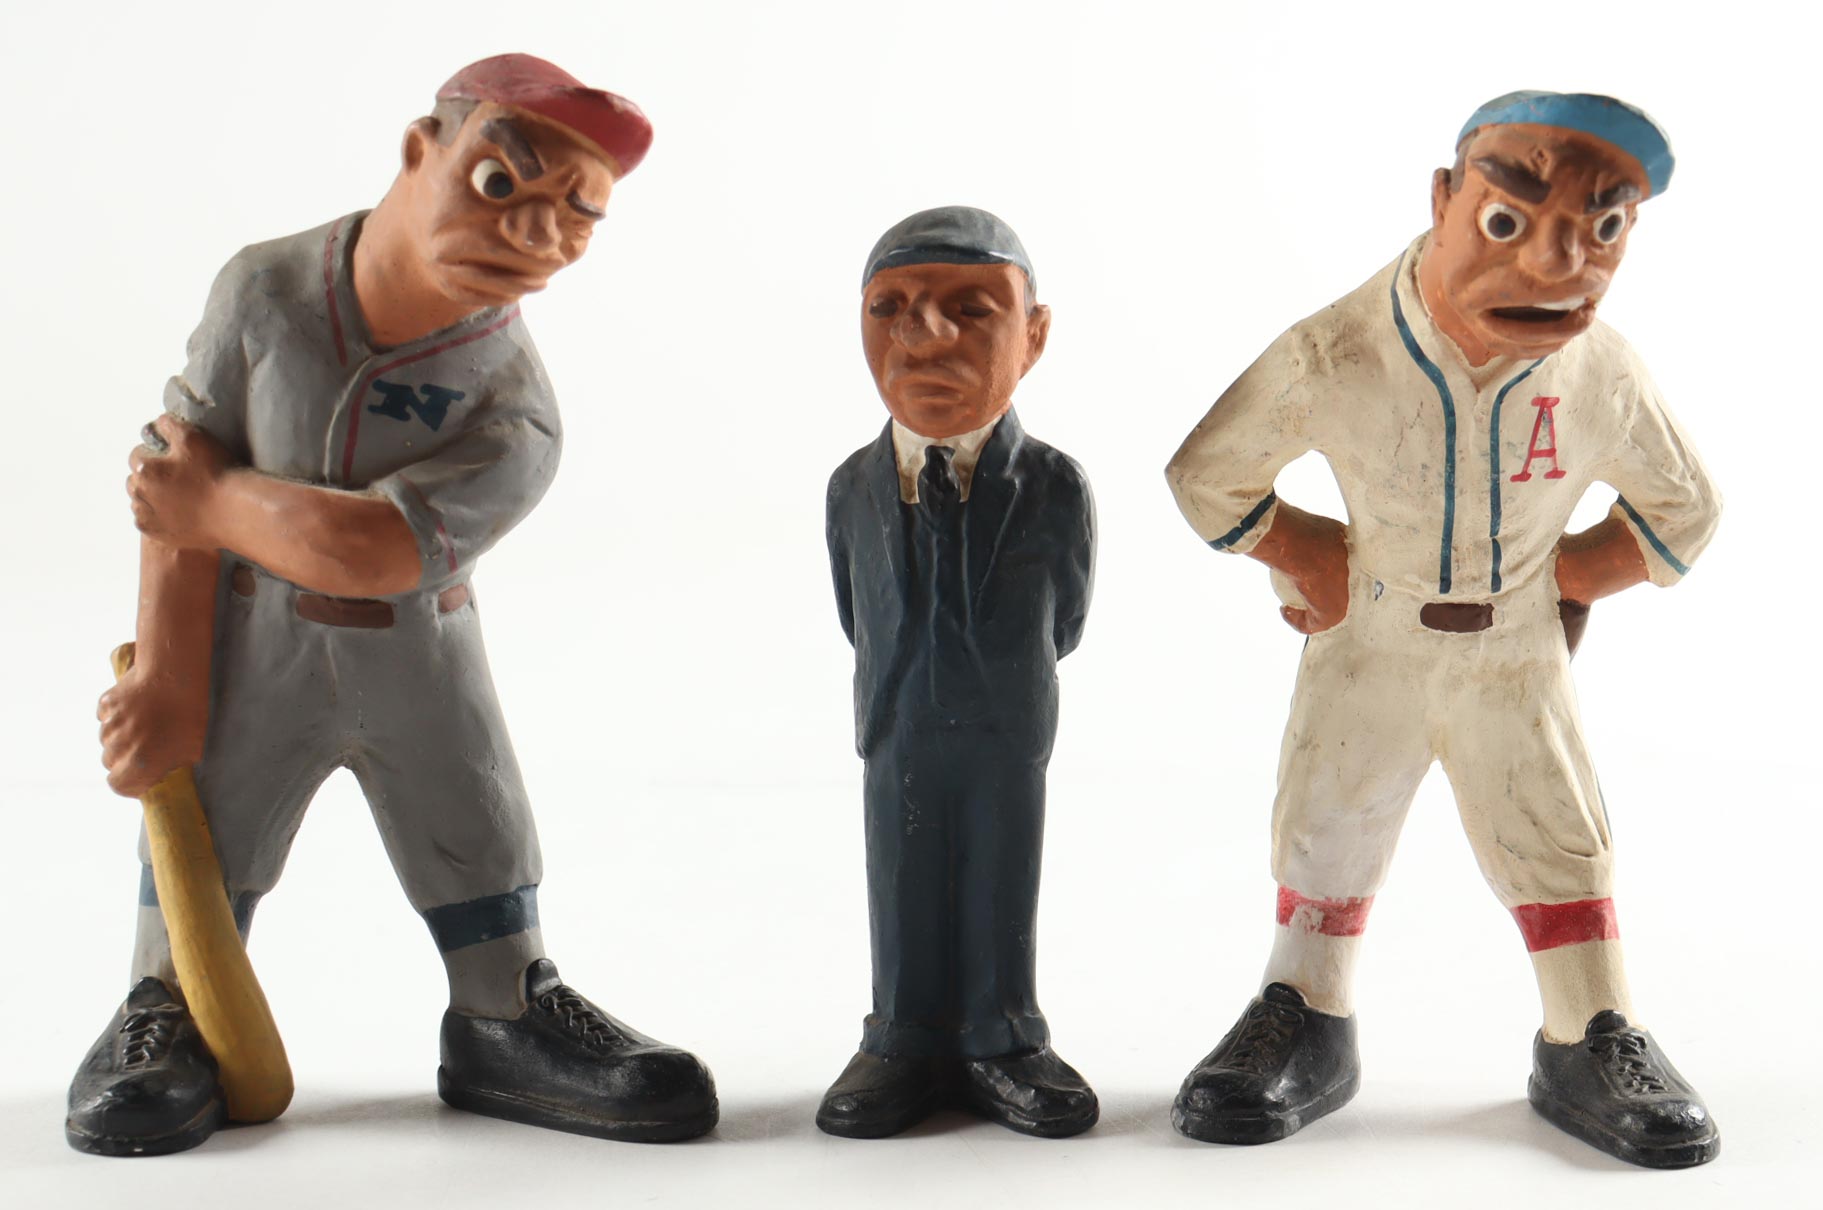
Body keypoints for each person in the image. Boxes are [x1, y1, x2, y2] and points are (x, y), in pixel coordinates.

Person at [74, 54, 717, 1156]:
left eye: (577, 214)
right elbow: (169, 479)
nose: (535, 234)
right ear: (422, 151)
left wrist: (217, 499)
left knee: (475, 828)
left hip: (418, 653)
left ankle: (504, 1013)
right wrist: (170, 680)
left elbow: (368, 547)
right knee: (210, 829)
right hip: (252, 643)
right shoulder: (265, 291)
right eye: (502, 182)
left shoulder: (514, 402)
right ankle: (165, 1002)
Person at [1164, 92, 1722, 1169]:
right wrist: (1304, 550)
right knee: (1328, 821)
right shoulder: (1340, 349)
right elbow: (1205, 474)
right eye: (1507, 220)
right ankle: (1304, 1008)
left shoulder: (1597, 371)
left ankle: (1588, 1026)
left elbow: (1686, 506)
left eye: (1601, 227)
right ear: (1443, 197)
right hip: (1371, 638)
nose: (1554, 263)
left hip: (1512, 654)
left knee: (1556, 837)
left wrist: (1572, 573)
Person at [820, 207, 1098, 1139]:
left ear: (1034, 335)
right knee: (899, 872)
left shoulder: (1054, 485)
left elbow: (1066, 618)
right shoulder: (851, 488)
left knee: (999, 871)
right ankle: (900, 1037)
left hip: (1004, 725)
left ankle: (1001, 1033)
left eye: (972, 310)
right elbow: (855, 613)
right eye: (889, 308)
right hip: (895, 718)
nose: (926, 337)